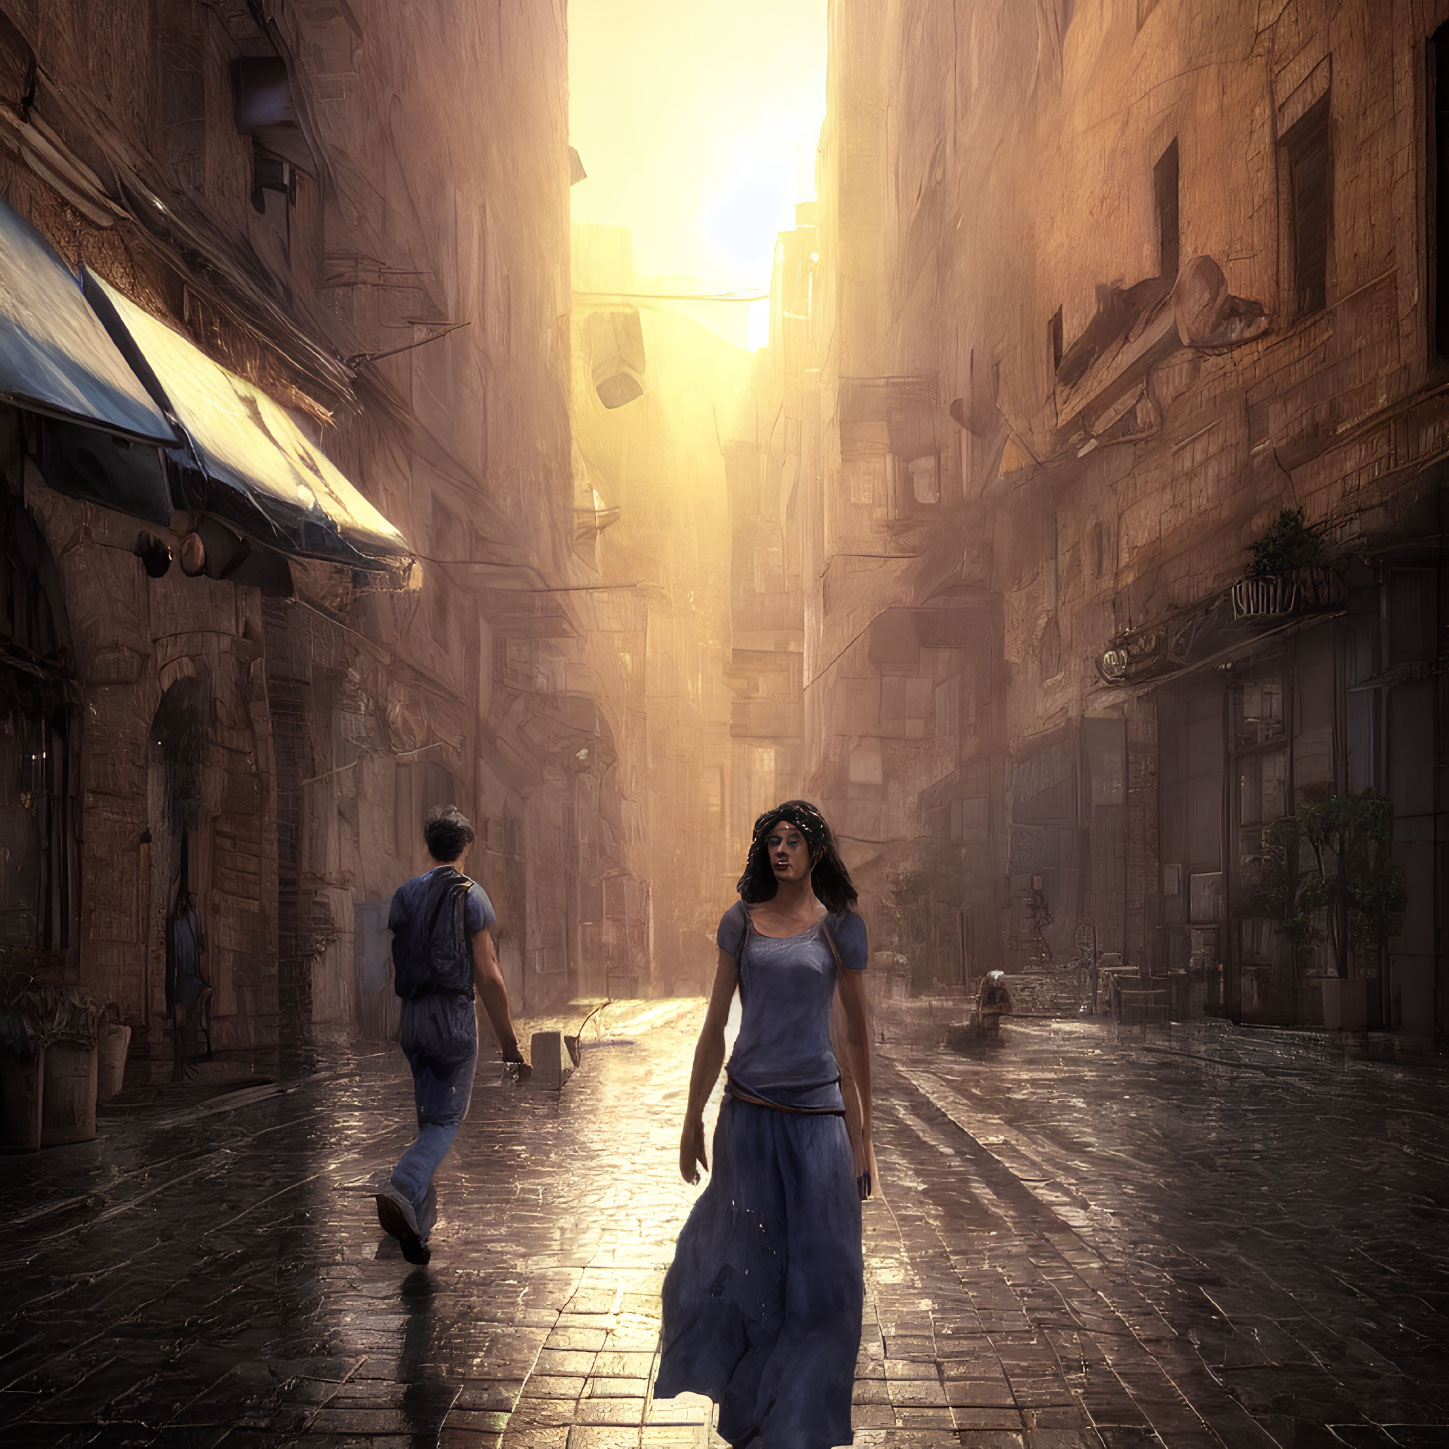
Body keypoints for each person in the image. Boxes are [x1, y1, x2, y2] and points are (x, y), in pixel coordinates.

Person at [655, 799, 873, 1449]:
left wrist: (865, 1138)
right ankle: (753, 1422)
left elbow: (854, 1040)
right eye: (772, 840)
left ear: (815, 852)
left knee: (828, 1282)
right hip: (747, 1122)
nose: (781, 850)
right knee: (747, 1275)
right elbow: (713, 1026)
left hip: (820, 1126)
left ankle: (801, 1424)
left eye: (793, 840)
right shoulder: (740, 924)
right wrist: (691, 1115)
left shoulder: (840, 929)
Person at [376, 804, 528, 1265]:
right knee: (444, 1123)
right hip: (452, 1019)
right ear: (466, 847)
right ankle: (401, 1188)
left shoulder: (405, 894)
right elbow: (489, 976)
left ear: (429, 846)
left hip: (413, 1019)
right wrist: (509, 1045)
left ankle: (417, 1232)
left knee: (430, 1123)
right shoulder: (472, 896)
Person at [165, 886, 212, 1082]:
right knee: (181, 1024)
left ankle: (182, 1065)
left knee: (182, 1023)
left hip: (187, 978)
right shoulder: (181, 924)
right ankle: (180, 1067)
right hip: (183, 979)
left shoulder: (186, 922)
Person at [975, 968, 1014, 1039]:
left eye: (997, 980)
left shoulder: (1003, 990)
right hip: (988, 1012)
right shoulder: (987, 990)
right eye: (993, 980)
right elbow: (983, 1002)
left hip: (997, 1012)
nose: (995, 982)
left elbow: (1006, 1002)